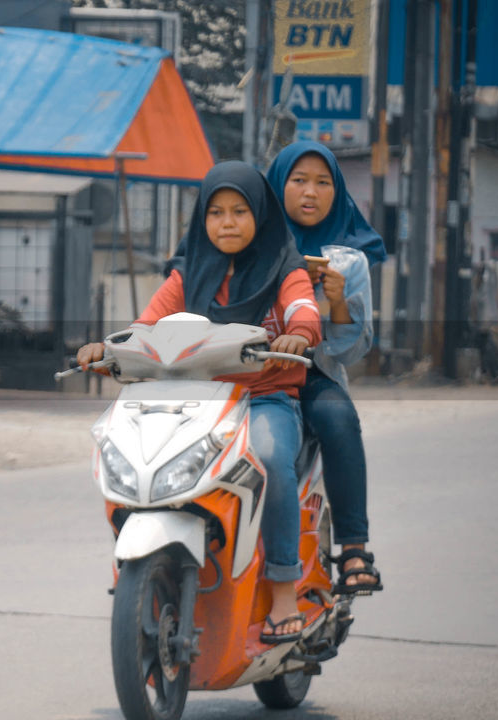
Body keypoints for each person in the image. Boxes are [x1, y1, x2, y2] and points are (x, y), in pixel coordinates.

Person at [77, 162, 322, 644]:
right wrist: (107, 349)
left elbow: (304, 310)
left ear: (260, 215)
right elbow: (144, 329)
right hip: (199, 401)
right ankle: (144, 569)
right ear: (200, 220)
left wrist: (298, 333)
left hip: (264, 398)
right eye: (215, 213)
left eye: (238, 211)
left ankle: (283, 590)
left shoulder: (284, 267)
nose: (227, 222)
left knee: (269, 459)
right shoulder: (187, 274)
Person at [267, 141, 386, 595]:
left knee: (338, 417)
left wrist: (336, 301)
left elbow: (350, 350)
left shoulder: (349, 260)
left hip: (311, 372)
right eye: (299, 181)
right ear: (278, 186)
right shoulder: (254, 243)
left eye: (324, 182)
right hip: (245, 368)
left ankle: (353, 547)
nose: (311, 192)